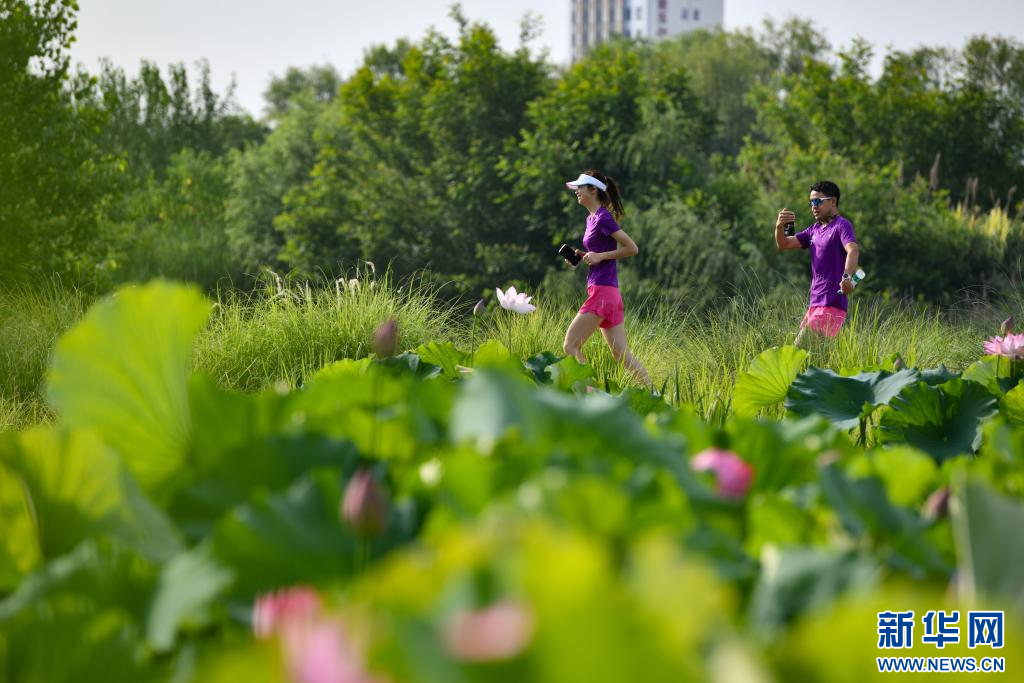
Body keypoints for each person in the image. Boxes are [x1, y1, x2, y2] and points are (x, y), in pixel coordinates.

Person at [562, 170, 652, 386]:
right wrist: (584, 256)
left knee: (570, 347)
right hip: (607, 293)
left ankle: (589, 394)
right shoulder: (591, 219)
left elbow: (632, 248)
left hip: (603, 293)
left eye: (580, 188)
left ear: (593, 190)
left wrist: (600, 255)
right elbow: (600, 251)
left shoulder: (603, 218)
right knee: (622, 355)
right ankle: (655, 394)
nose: (576, 192)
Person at [775, 180, 861, 348]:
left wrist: (847, 277)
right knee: (811, 359)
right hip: (815, 304)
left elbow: (853, 250)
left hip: (831, 304)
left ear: (833, 201)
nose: (813, 206)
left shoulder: (842, 225)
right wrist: (780, 226)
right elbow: (784, 244)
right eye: (811, 202)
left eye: (818, 201)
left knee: (797, 351)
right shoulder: (813, 230)